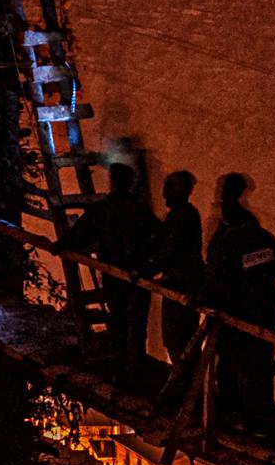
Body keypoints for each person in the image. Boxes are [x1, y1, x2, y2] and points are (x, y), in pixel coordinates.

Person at [201, 173, 275, 424]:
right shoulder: (263, 238)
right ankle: (258, 416)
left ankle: (237, 414)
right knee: (259, 364)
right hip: (264, 311)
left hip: (235, 312)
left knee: (233, 365)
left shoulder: (225, 241)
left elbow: (216, 276)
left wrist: (206, 301)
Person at [63, 162, 157, 386]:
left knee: (118, 326)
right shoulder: (141, 211)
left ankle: (121, 375)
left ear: (113, 182)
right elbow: (159, 238)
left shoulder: (103, 209)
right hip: (137, 280)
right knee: (137, 329)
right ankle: (136, 376)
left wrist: (59, 246)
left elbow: (78, 235)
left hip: (114, 280)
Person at [148, 170, 205, 365]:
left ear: (176, 192)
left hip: (179, 286)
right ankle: (187, 386)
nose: (164, 196)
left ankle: (183, 387)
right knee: (183, 341)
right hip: (185, 284)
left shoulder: (180, 218)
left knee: (177, 339)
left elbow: (170, 251)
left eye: (167, 190)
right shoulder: (189, 215)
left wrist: (145, 271)